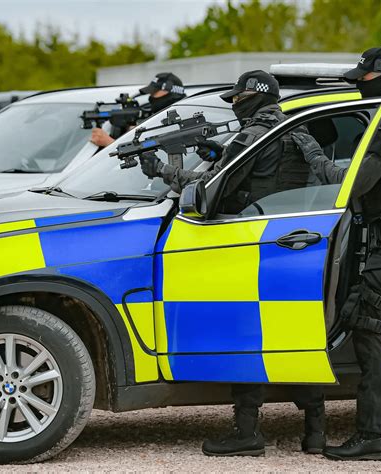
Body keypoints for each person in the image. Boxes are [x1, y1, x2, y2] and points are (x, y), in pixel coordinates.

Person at [139, 70, 327, 457]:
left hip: (250, 239)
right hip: (296, 240)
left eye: (238, 100)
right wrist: (217, 155)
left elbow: (208, 190)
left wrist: (161, 170)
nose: (235, 108)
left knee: (248, 341)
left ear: (252, 99)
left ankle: (246, 433)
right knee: (292, 339)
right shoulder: (297, 130)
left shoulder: (252, 135)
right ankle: (315, 432)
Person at [291, 47, 381, 461]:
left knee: (371, 328)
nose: (356, 86)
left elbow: (355, 184)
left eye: (360, 80)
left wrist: (312, 153)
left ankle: (373, 437)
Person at [90, 72, 186, 147]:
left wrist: (110, 143)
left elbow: (153, 151)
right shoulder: (154, 113)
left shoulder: (182, 117)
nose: (151, 96)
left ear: (170, 92)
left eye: (154, 92)